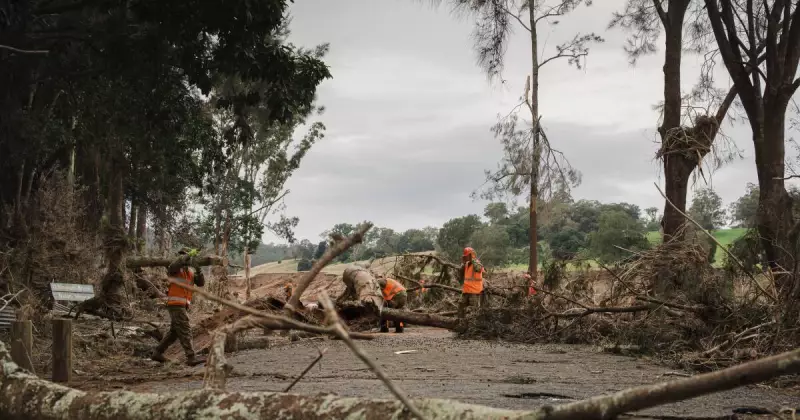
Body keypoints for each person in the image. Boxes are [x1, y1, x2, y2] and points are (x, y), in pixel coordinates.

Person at [151, 247, 206, 366]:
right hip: (175, 305)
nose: (183, 257)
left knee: (174, 332)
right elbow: (175, 264)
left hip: (182, 305)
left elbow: (201, 283)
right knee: (185, 328)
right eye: (181, 255)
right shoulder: (173, 269)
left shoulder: (190, 272)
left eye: (185, 255)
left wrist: (198, 269)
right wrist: (186, 256)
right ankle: (191, 357)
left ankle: (157, 352)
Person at [458, 247, 486, 318]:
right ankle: (460, 323)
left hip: (474, 291)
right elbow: (460, 273)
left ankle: (472, 326)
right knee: (461, 307)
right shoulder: (466, 264)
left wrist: (473, 260)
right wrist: (463, 263)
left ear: (471, 255)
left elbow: (479, 269)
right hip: (466, 291)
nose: (466, 257)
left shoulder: (477, 263)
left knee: (473, 310)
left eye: (467, 256)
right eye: (465, 256)